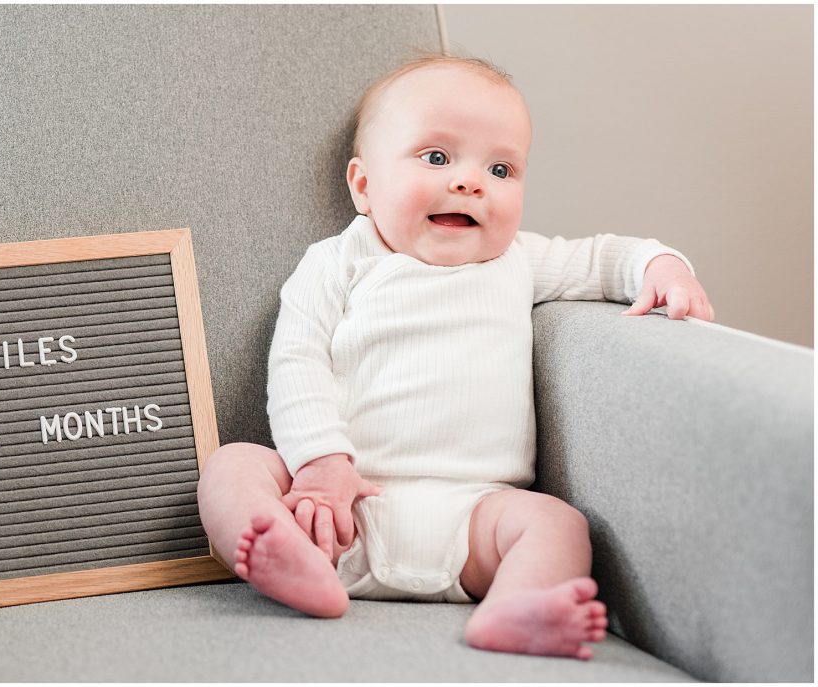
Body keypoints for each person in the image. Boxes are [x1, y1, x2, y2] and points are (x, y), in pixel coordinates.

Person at [196, 54, 713, 660]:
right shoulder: (337, 262)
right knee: (233, 466)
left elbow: (600, 258)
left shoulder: (516, 260)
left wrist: (662, 265)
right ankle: (289, 563)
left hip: (473, 520)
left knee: (557, 524)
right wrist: (319, 464)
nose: (471, 182)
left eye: (501, 168)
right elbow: (295, 363)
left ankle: (515, 608)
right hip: (338, 512)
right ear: (364, 185)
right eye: (437, 158)